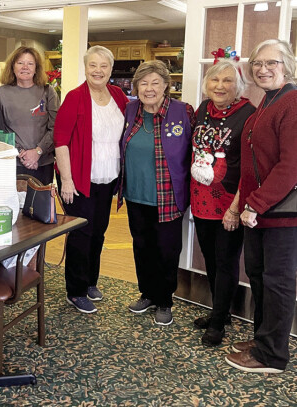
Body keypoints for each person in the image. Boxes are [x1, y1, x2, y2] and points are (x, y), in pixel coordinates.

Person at [225, 39, 297, 374]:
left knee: (278, 282)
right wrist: (243, 205)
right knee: (260, 278)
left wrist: (256, 204)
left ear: (287, 66)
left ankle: (272, 357)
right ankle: (262, 339)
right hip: (258, 214)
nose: (263, 69)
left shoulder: (292, 102)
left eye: (272, 63)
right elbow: (253, 166)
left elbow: (290, 166)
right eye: (257, 63)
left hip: (281, 215)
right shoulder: (266, 103)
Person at [54, 45, 128, 313]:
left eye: (103, 66)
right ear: (85, 68)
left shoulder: (119, 95)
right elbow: (60, 142)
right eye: (93, 65)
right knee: (81, 233)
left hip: (108, 177)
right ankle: (74, 290)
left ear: (110, 69)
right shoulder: (75, 97)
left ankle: (90, 281)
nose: (98, 70)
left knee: (98, 231)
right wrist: (67, 180)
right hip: (78, 179)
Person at [121, 60, 195, 326]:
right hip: (136, 195)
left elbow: (195, 153)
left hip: (169, 196)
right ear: (136, 86)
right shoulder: (130, 110)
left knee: (167, 249)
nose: (149, 88)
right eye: (143, 83)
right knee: (142, 247)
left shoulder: (183, 111)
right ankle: (147, 293)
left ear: (166, 85)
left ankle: (165, 300)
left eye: (155, 82)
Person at [191, 61, 255, 346]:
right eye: (214, 80)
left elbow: (250, 168)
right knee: (211, 258)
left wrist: (235, 209)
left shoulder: (249, 116)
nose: (220, 86)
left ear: (238, 85)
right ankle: (222, 311)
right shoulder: (203, 108)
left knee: (226, 261)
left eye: (227, 81)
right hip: (201, 199)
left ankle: (217, 324)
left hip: (230, 202)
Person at [0, 46, 59, 185]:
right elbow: (0, 128)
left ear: (36, 68)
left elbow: (56, 127)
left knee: (42, 206)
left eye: (30, 63)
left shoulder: (48, 92)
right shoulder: (1, 93)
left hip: (43, 163)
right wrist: (22, 153)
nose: (25, 67)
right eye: (20, 63)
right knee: (15, 205)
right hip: (12, 162)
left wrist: (37, 152)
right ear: (13, 67)